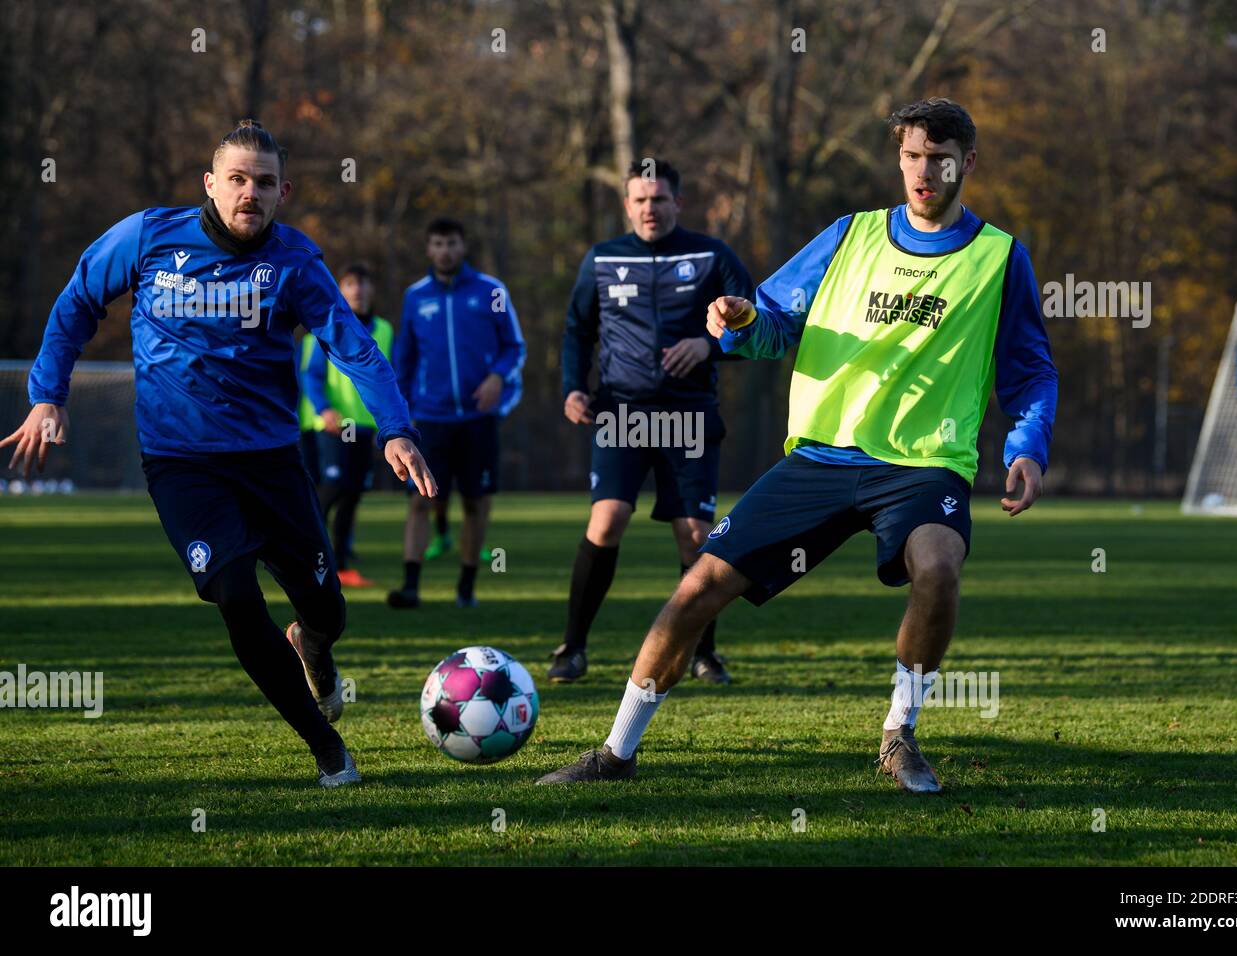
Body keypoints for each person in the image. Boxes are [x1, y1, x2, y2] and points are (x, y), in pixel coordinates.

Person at [536, 98, 1058, 793]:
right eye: (910, 155)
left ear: (968, 160)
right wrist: (739, 319)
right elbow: (773, 322)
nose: (923, 170)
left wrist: (1027, 447)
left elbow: (1029, 367)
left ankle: (898, 737)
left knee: (938, 568)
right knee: (696, 588)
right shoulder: (848, 235)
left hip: (923, 463)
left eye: (938, 157)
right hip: (820, 456)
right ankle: (616, 753)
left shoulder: (1000, 258)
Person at [2, 120, 435, 788]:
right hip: (182, 463)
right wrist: (46, 394)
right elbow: (78, 300)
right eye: (237, 179)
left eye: (264, 182)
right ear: (210, 183)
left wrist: (395, 427)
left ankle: (313, 647)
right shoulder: (149, 236)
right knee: (234, 592)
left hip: (270, 460)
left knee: (326, 610)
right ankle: (328, 750)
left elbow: (351, 345)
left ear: (283, 191)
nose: (249, 193)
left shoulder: (295, 261)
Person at [551, 158, 754, 685]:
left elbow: (759, 320)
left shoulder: (711, 254)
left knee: (696, 536)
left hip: (688, 415)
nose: (649, 208)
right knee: (607, 518)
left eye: (659, 199)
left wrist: (708, 344)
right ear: (626, 205)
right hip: (622, 411)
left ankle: (703, 653)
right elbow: (576, 330)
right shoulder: (602, 258)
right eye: (639, 200)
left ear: (677, 203)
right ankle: (572, 647)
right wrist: (573, 387)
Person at [387, 218, 525, 609]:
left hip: (478, 418)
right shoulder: (415, 296)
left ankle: (466, 588)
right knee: (420, 500)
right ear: (429, 249)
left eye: (451, 243)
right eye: (437, 244)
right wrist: (403, 414)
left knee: (475, 501)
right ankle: (410, 585)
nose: (444, 250)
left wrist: (498, 377)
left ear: (463, 246)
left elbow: (514, 347)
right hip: (430, 418)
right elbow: (404, 360)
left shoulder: (491, 291)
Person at [299, 263, 395, 587]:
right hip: (332, 426)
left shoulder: (384, 329)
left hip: (364, 425)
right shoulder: (324, 326)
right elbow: (310, 375)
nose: (358, 290)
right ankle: (304, 555)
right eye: (351, 284)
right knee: (329, 490)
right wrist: (324, 409)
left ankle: (340, 564)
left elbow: (386, 378)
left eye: (364, 283)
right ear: (340, 290)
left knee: (354, 493)